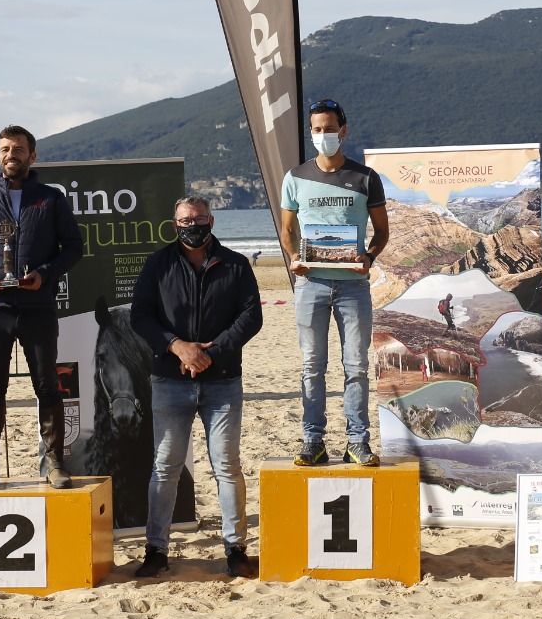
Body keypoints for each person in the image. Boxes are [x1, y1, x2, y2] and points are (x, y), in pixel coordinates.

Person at [129, 196, 263, 580]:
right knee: (165, 468)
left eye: (199, 219)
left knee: (227, 467)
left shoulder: (235, 264)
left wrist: (210, 353)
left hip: (223, 381)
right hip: (170, 380)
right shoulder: (158, 264)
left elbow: (251, 317)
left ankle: (236, 550)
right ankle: (156, 551)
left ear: (212, 221)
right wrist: (178, 347)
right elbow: (141, 316)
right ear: (175, 225)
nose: (193, 226)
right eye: (186, 221)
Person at [0, 125, 84, 492]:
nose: (12, 155)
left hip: (38, 306)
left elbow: (74, 247)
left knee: (48, 385)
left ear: (32, 156)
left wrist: (45, 274)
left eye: (19, 149)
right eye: (5, 149)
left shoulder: (51, 199)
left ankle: (55, 463)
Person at [280, 98, 389, 467]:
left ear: (343, 130)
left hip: (353, 288)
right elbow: (287, 230)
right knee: (312, 367)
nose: (323, 135)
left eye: (329, 128)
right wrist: (293, 258)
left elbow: (382, 231)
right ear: (310, 133)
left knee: (356, 367)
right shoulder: (295, 177)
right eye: (317, 129)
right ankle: (313, 441)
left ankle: (357, 441)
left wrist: (369, 257)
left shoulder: (365, 178)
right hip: (310, 284)